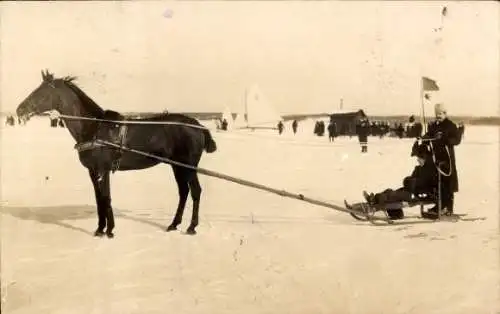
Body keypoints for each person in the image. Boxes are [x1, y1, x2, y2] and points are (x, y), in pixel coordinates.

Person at [422, 103, 461, 214]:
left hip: (447, 158)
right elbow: (429, 134)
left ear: (445, 113)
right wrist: (422, 138)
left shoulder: (450, 125)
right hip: (436, 157)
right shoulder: (434, 125)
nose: (438, 115)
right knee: (437, 183)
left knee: (447, 183)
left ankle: (448, 208)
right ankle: (439, 205)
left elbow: (457, 140)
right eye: (436, 113)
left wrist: (446, 140)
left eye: (440, 113)